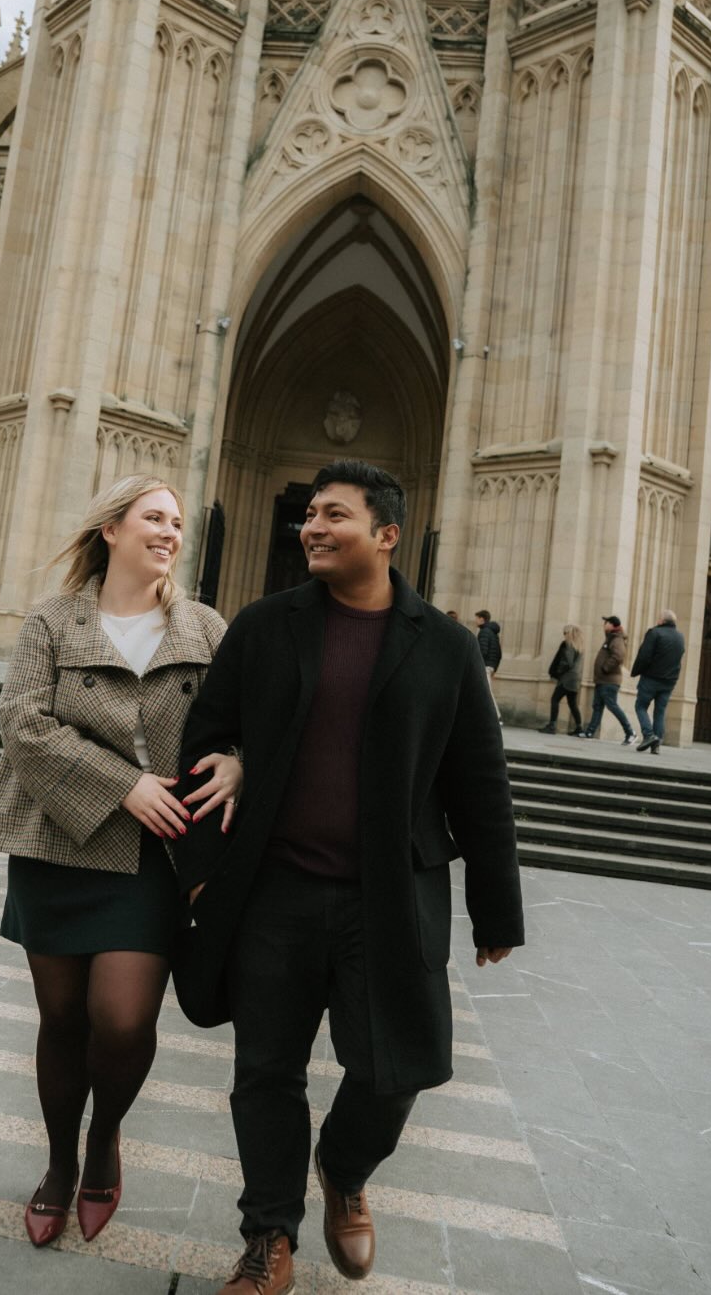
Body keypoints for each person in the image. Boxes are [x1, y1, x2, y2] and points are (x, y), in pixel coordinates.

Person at [172, 460, 524, 1295]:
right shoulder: (265, 626)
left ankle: (344, 1166)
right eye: (310, 515)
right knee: (265, 1071)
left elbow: (480, 781)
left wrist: (496, 911)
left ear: (387, 535)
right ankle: (269, 1239)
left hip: (390, 899)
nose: (312, 526)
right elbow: (203, 744)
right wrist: (199, 873)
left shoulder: (443, 645)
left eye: (335, 515)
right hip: (275, 894)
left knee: (397, 1069)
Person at [0, 475, 241, 1248]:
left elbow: (248, 717)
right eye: (153, 518)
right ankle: (61, 1164)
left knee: (121, 1022)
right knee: (61, 1020)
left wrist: (240, 763)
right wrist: (122, 785)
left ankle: (106, 1137)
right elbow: (22, 725)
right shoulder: (53, 622)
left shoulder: (204, 628)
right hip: (57, 843)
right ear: (112, 531)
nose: (169, 532)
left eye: (178, 522)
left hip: (151, 861)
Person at [631, 609, 685, 753]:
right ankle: (656, 745)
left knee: (640, 706)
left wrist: (635, 671)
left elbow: (644, 656)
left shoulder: (654, 633)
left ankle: (649, 735)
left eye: (658, 618)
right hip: (669, 681)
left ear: (662, 621)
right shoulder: (680, 637)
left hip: (651, 678)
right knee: (660, 711)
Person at [577, 616, 636, 744]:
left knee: (612, 706)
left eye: (606, 623)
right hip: (602, 680)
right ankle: (590, 732)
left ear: (612, 625)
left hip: (609, 680)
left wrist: (605, 668)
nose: (604, 625)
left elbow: (618, 656)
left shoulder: (616, 639)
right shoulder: (610, 638)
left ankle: (630, 732)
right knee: (597, 706)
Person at [539, 625, 584, 734]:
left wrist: (558, 673)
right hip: (575, 679)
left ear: (569, 634)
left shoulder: (568, 645)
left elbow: (567, 662)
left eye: (565, 633)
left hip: (566, 679)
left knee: (555, 699)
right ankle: (579, 727)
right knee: (572, 704)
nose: (563, 635)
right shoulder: (580, 647)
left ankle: (552, 725)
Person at [474, 608, 503, 722]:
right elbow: (499, 654)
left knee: (487, 692)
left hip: (484, 665)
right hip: (490, 666)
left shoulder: (484, 632)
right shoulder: (493, 633)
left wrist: (477, 664)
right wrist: (494, 668)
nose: (475, 621)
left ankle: (496, 716)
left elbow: (482, 651)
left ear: (482, 619)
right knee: (484, 691)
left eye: (476, 618)